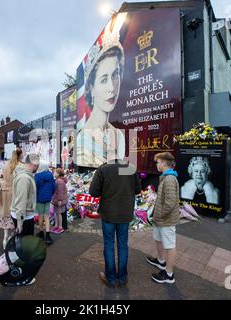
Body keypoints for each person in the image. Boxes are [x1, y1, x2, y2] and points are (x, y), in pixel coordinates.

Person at [76, 16, 126, 167]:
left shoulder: (119, 135)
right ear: (91, 87)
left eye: (115, 75)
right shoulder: (83, 138)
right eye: (103, 79)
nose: (112, 87)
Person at [89, 155, 141, 288]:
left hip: (108, 213)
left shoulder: (103, 169)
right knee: (123, 244)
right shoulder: (131, 168)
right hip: (125, 213)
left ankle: (111, 278)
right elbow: (137, 190)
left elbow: (93, 192)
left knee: (109, 244)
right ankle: (122, 278)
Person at [147, 152, 180, 284]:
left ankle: (169, 274)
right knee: (158, 239)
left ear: (165, 163)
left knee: (170, 246)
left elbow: (170, 202)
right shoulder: (166, 177)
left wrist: (159, 214)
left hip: (166, 220)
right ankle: (161, 262)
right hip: (160, 219)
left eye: (158, 162)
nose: (157, 165)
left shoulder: (170, 179)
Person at [0, 149, 22, 249]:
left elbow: (2, 178)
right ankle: (12, 240)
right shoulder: (19, 166)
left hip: (4, 192)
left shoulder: (6, 164)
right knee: (14, 216)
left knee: (6, 215)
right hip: (13, 193)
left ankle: (5, 240)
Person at [11, 154, 39, 237]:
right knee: (24, 244)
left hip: (23, 215)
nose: (37, 168)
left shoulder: (25, 176)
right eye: (37, 165)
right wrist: (20, 221)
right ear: (34, 164)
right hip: (24, 216)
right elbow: (21, 200)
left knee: (24, 243)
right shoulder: (24, 178)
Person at [34, 161, 56, 244]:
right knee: (47, 216)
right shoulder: (50, 175)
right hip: (48, 198)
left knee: (40, 216)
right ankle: (47, 235)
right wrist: (50, 194)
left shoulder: (37, 176)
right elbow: (54, 187)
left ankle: (41, 232)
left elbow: (35, 188)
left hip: (39, 199)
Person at [51, 168, 68, 234]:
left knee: (59, 213)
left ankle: (60, 227)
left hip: (58, 200)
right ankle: (56, 225)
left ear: (58, 174)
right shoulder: (58, 180)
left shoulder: (59, 181)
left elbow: (60, 192)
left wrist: (60, 200)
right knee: (56, 213)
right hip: (56, 200)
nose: (54, 173)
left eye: (55, 172)